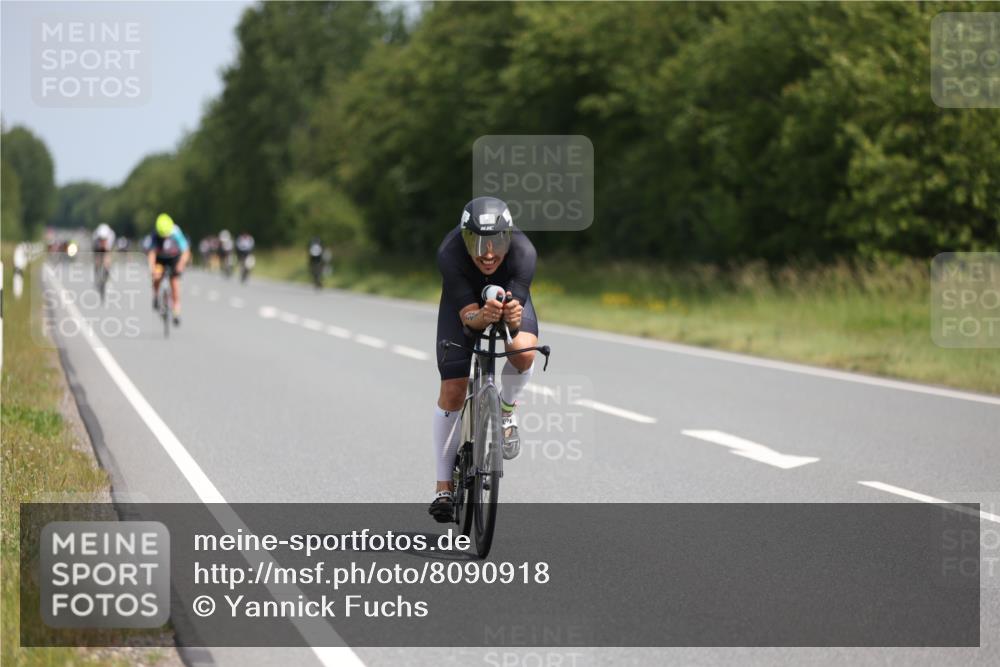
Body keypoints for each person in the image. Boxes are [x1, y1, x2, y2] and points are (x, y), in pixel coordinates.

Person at [428, 196, 538, 522]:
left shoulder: (524, 252)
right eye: (477, 242)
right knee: (453, 389)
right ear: (464, 239)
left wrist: (510, 318)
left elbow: (513, 324)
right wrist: (481, 316)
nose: (488, 253)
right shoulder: (449, 254)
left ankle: (506, 410)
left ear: (508, 236)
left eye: (496, 242)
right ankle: (443, 486)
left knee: (524, 353)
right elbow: (468, 320)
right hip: (463, 307)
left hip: (505, 299)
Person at [147, 213, 190, 326]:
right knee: (156, 276)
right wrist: (151, 268)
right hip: (160, 258)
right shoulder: (155, 234)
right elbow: (152, 253)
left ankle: (176, 312)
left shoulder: (176, 232)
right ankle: (156, 295)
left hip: (174, 259)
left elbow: (185, 251)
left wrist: (181, 265)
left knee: (175, 286)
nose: (165, 237)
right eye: (163, 235)